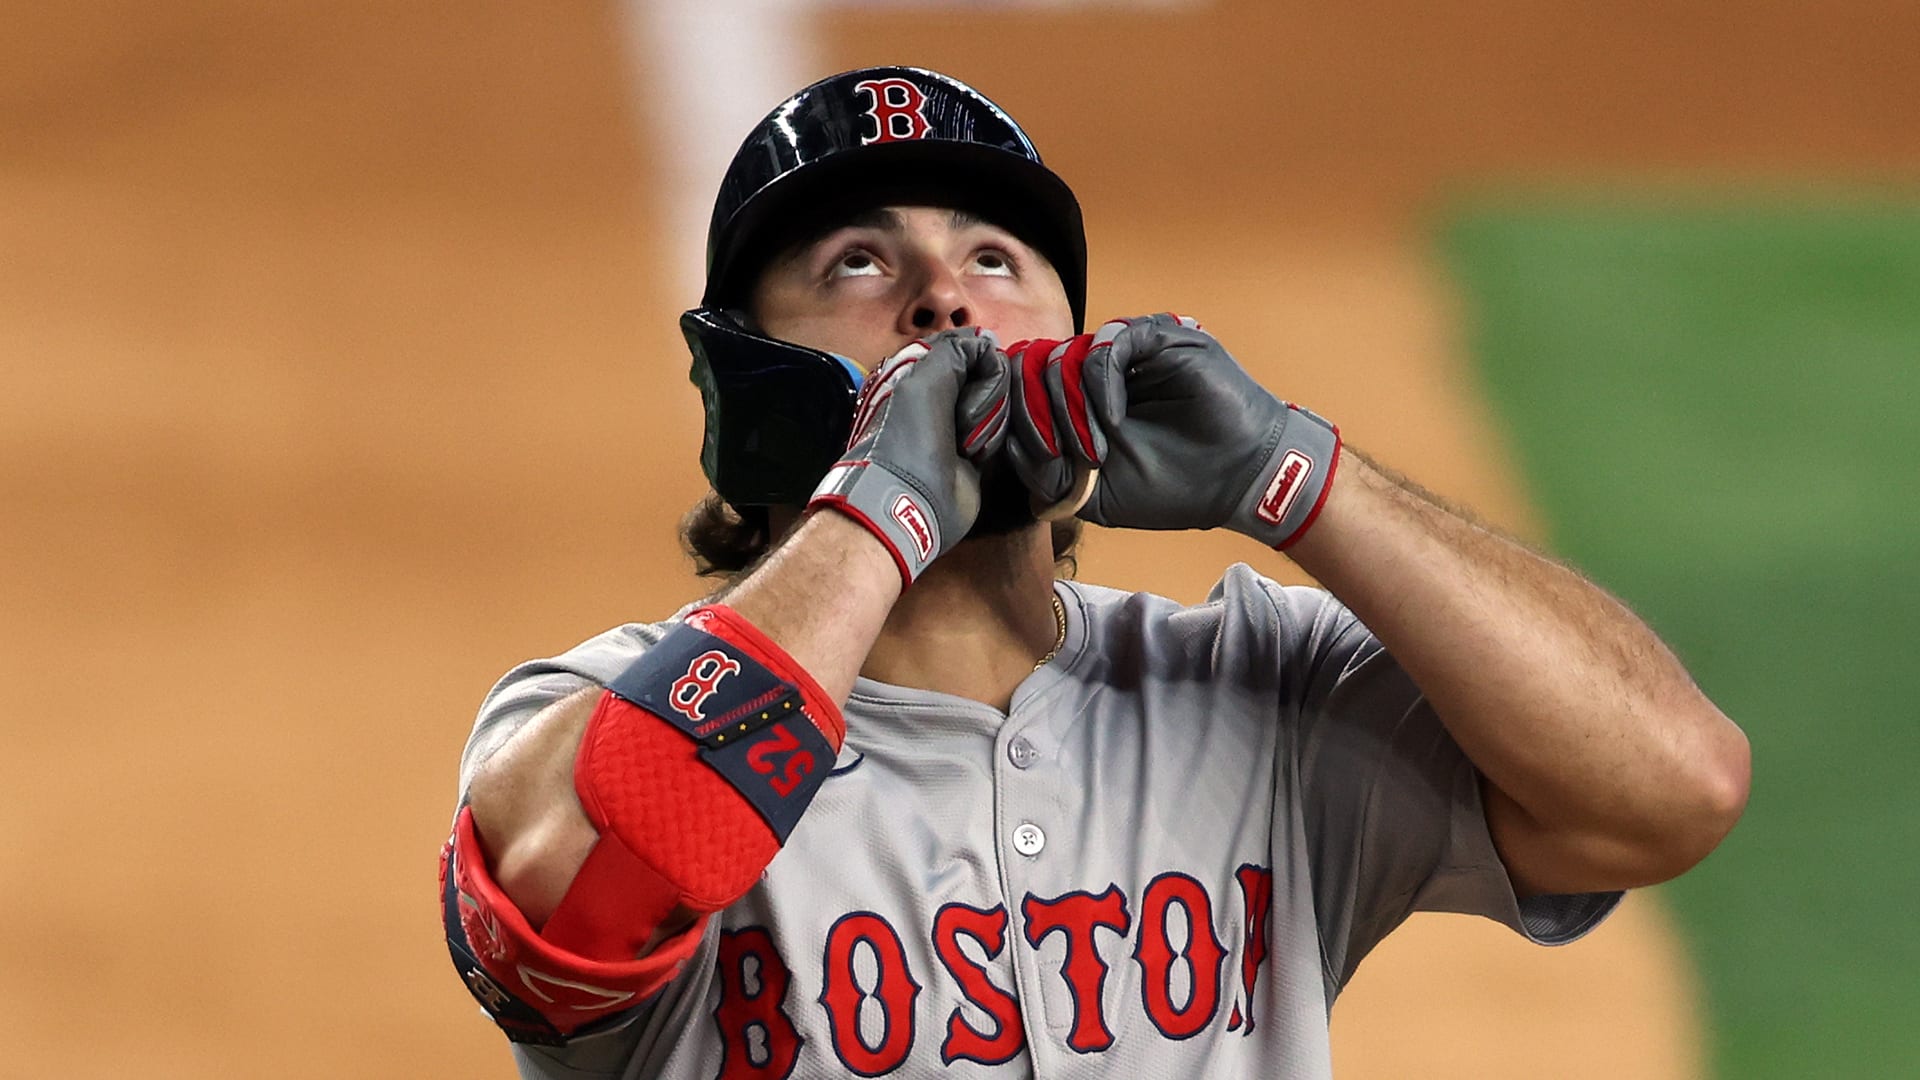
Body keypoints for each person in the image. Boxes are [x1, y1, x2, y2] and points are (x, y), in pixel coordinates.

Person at [438, 66, 1750, 1079]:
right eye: (860, 264)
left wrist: (1297, 476)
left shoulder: (1257, 682)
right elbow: (570, 910)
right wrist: (882, 513)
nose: (948, 301)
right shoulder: (603, 711)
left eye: (994, 261)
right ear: (753, 379)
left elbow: (1671, 790)